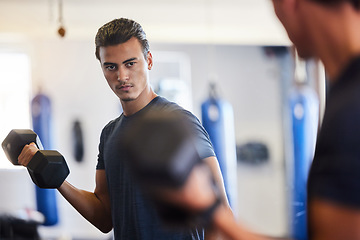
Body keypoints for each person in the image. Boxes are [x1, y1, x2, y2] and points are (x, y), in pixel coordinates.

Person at [139, 0, 360, 240]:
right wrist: (211, 211)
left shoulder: (350, 111)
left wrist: (209, 209)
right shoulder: (346, 98)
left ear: (289, 4)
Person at [17, 18, 231, 240]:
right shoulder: (109, 134)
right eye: (111, 66)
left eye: (130, 63)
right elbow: (104, 218)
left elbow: (221, 212)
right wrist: (57, 180)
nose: (121, 76)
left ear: (148, 60)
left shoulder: (178, 122)